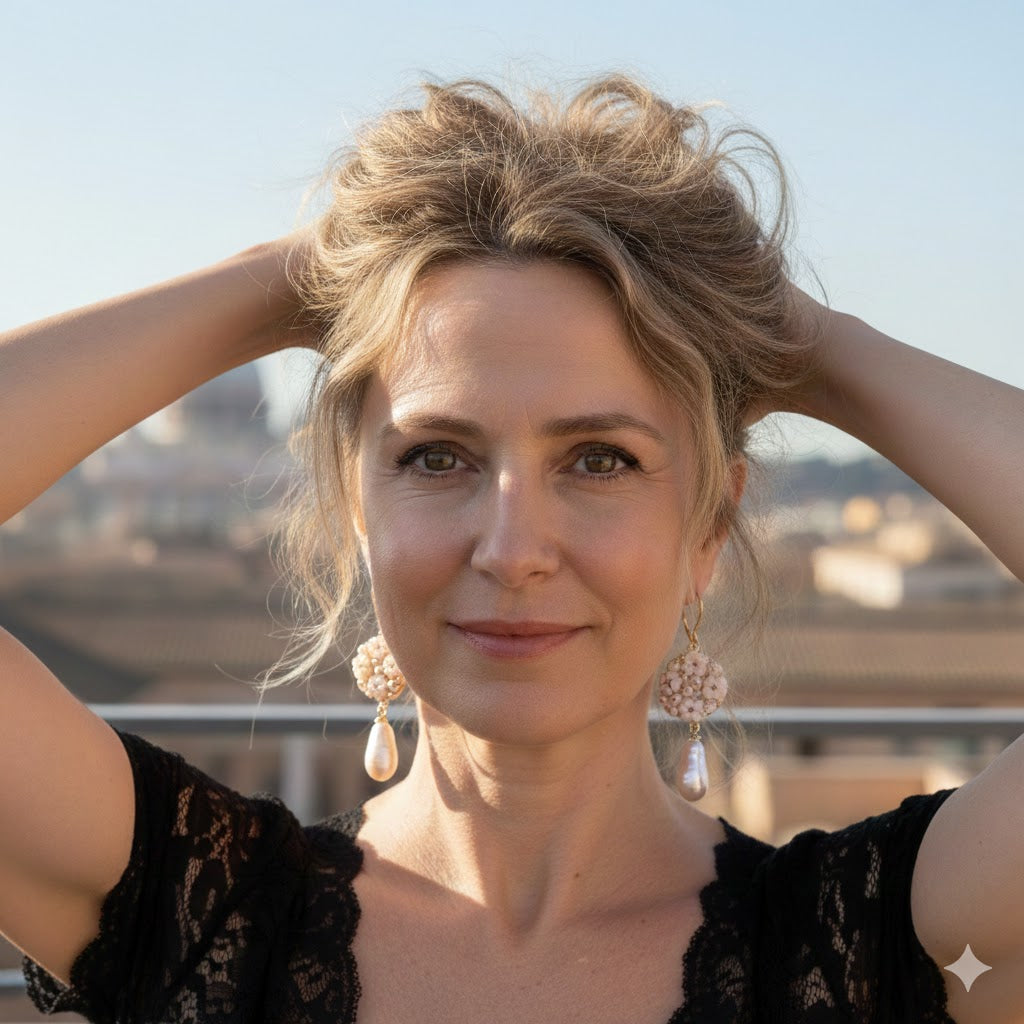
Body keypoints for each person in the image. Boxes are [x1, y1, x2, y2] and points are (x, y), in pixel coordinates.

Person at [0, 75, 1020, 1024]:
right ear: (357, 507)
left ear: (709, 525)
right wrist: (292, 276)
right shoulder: (195, 915)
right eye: (437, 456)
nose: (513, 547)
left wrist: (806, 341)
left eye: (600, 459)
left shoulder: (879, 948)